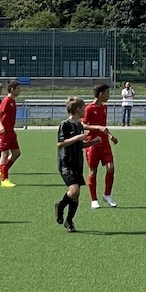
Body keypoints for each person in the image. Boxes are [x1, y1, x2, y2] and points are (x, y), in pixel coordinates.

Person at [56, 97, 99, 233]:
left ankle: (69, 221)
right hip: (66, 163)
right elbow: (60, 144)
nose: (85, 110)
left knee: (76, 194)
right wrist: (78, 137)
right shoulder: (65, 125)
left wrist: (93, 142)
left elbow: (80, 145)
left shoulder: (79, 125)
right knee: (74, 190)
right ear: (77, 109)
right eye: (84, 107)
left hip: (77, 163)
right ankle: (60, 206)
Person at [84, 82, 119, 209]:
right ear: (100, 94)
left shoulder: (105, 107)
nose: (109, 95)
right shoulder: (89, 108)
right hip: (93, 143)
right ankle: (94, 200)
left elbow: (103, 126)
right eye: (107, 93)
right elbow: (83, 125)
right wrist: (97, 127)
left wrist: (110, 135)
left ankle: (107, 195)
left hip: (105, 143)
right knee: (93, 171)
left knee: (111, 168)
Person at [0, 79, 22, 187]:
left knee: (16, 153)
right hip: (3, 132)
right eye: (18, 89)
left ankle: (2, 170)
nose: (19, 90)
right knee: (4, 153)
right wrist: (1, 126)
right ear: (12, 89)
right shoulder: (6, 100)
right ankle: (4, 180)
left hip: (10, 132)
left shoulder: (13, 101)